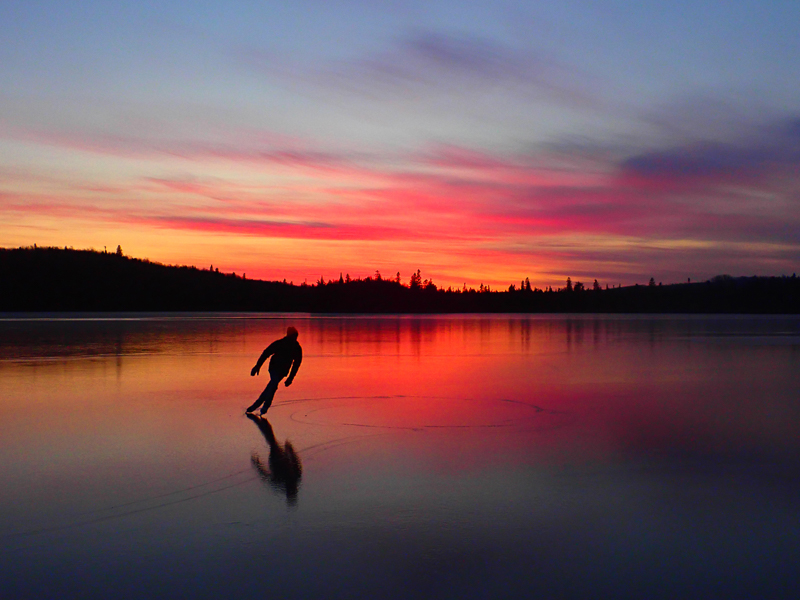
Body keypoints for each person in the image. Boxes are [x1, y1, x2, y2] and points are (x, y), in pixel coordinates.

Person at [246, 326, 302, 415]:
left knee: (271, 385)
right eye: (293, 336)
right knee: (274, 384)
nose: (295, 339)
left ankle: (256, 405)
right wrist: (257, 366)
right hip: (274, 368)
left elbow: (296, 364)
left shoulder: (297, 348)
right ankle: (265, 406)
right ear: (289, 335)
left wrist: (291, 378)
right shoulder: (280, 343)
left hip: (283, 371)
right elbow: (266, 353)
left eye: (296, 337)